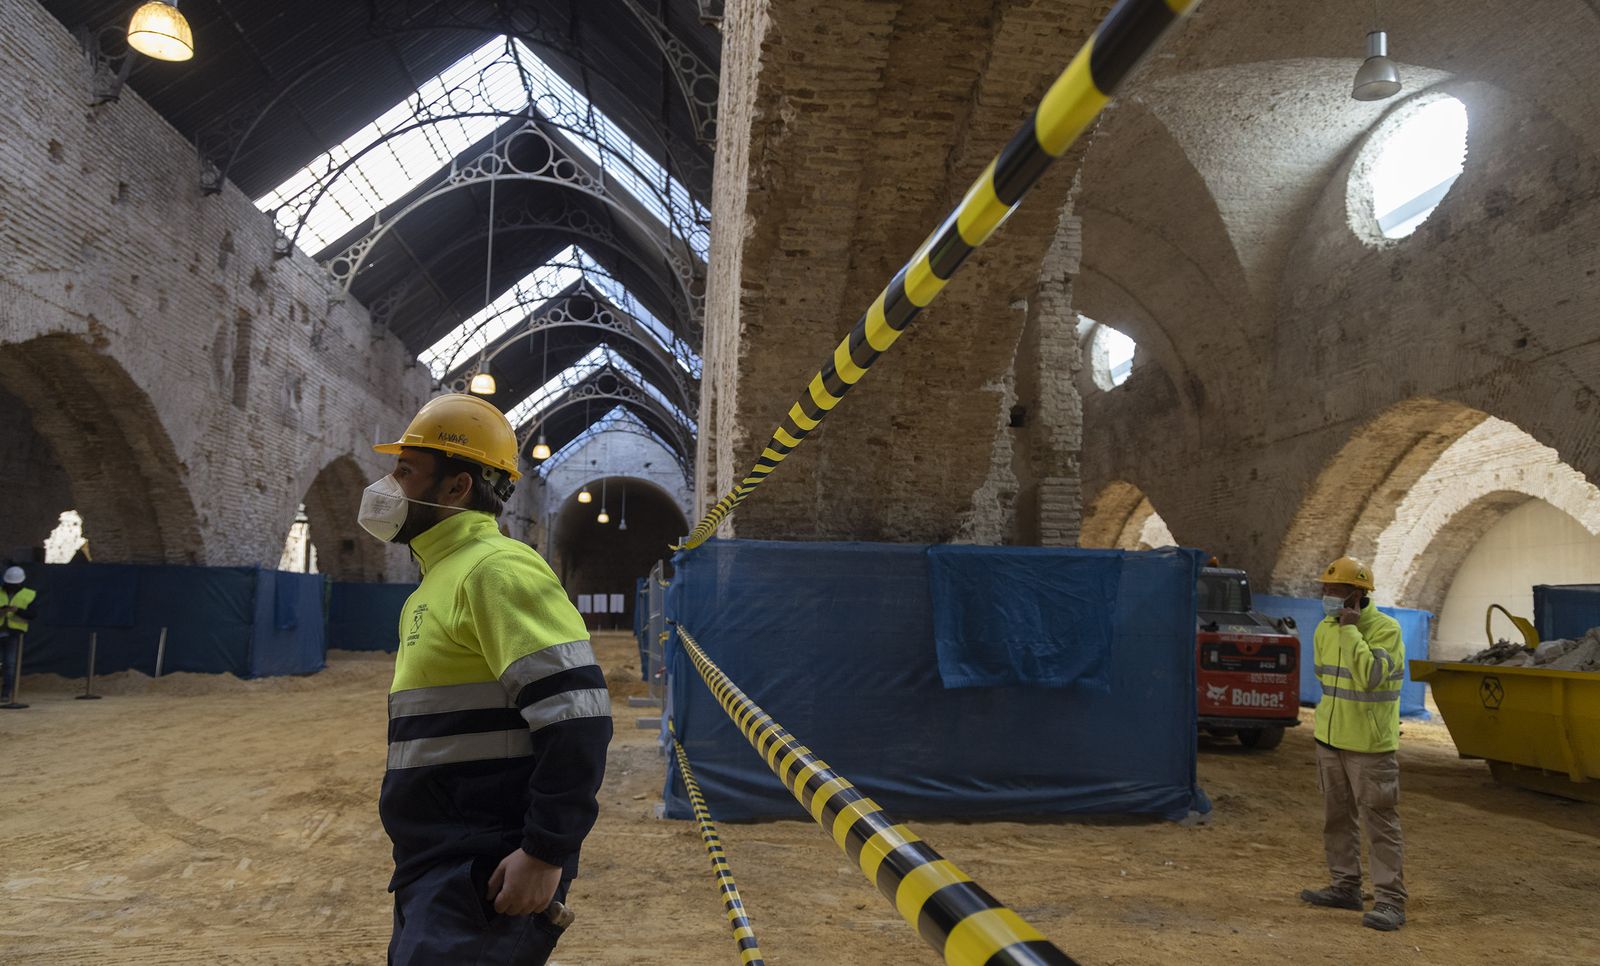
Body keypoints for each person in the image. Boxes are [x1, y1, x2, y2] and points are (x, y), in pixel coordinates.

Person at [360, 394, 613, 965]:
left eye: (405, 470)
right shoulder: (438, 578)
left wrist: (545, 853)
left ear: (457, 487)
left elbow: (578, 719)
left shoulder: (495, 569)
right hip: (435, 860)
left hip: (485, 864)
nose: (387, 486)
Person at [1299, 556, 1407, 931]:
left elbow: (1371, 677)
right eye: (1324, 588)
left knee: (1379, 823)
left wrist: (1350, 631)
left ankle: (1391, 901)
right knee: (1336, 818)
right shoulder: (1324, 629)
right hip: (1330, 741)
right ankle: (1345, 886)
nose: (1326, 595)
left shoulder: (1385, 630)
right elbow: (1326, 679)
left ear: (1356, 596)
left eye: (1334, 590)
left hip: (1369, 747)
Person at [1, 565, 38, 705]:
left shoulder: (29, 594)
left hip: (13, 633)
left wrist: (17, 611)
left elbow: (33, 614)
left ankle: (6, 692)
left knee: (9, 664)